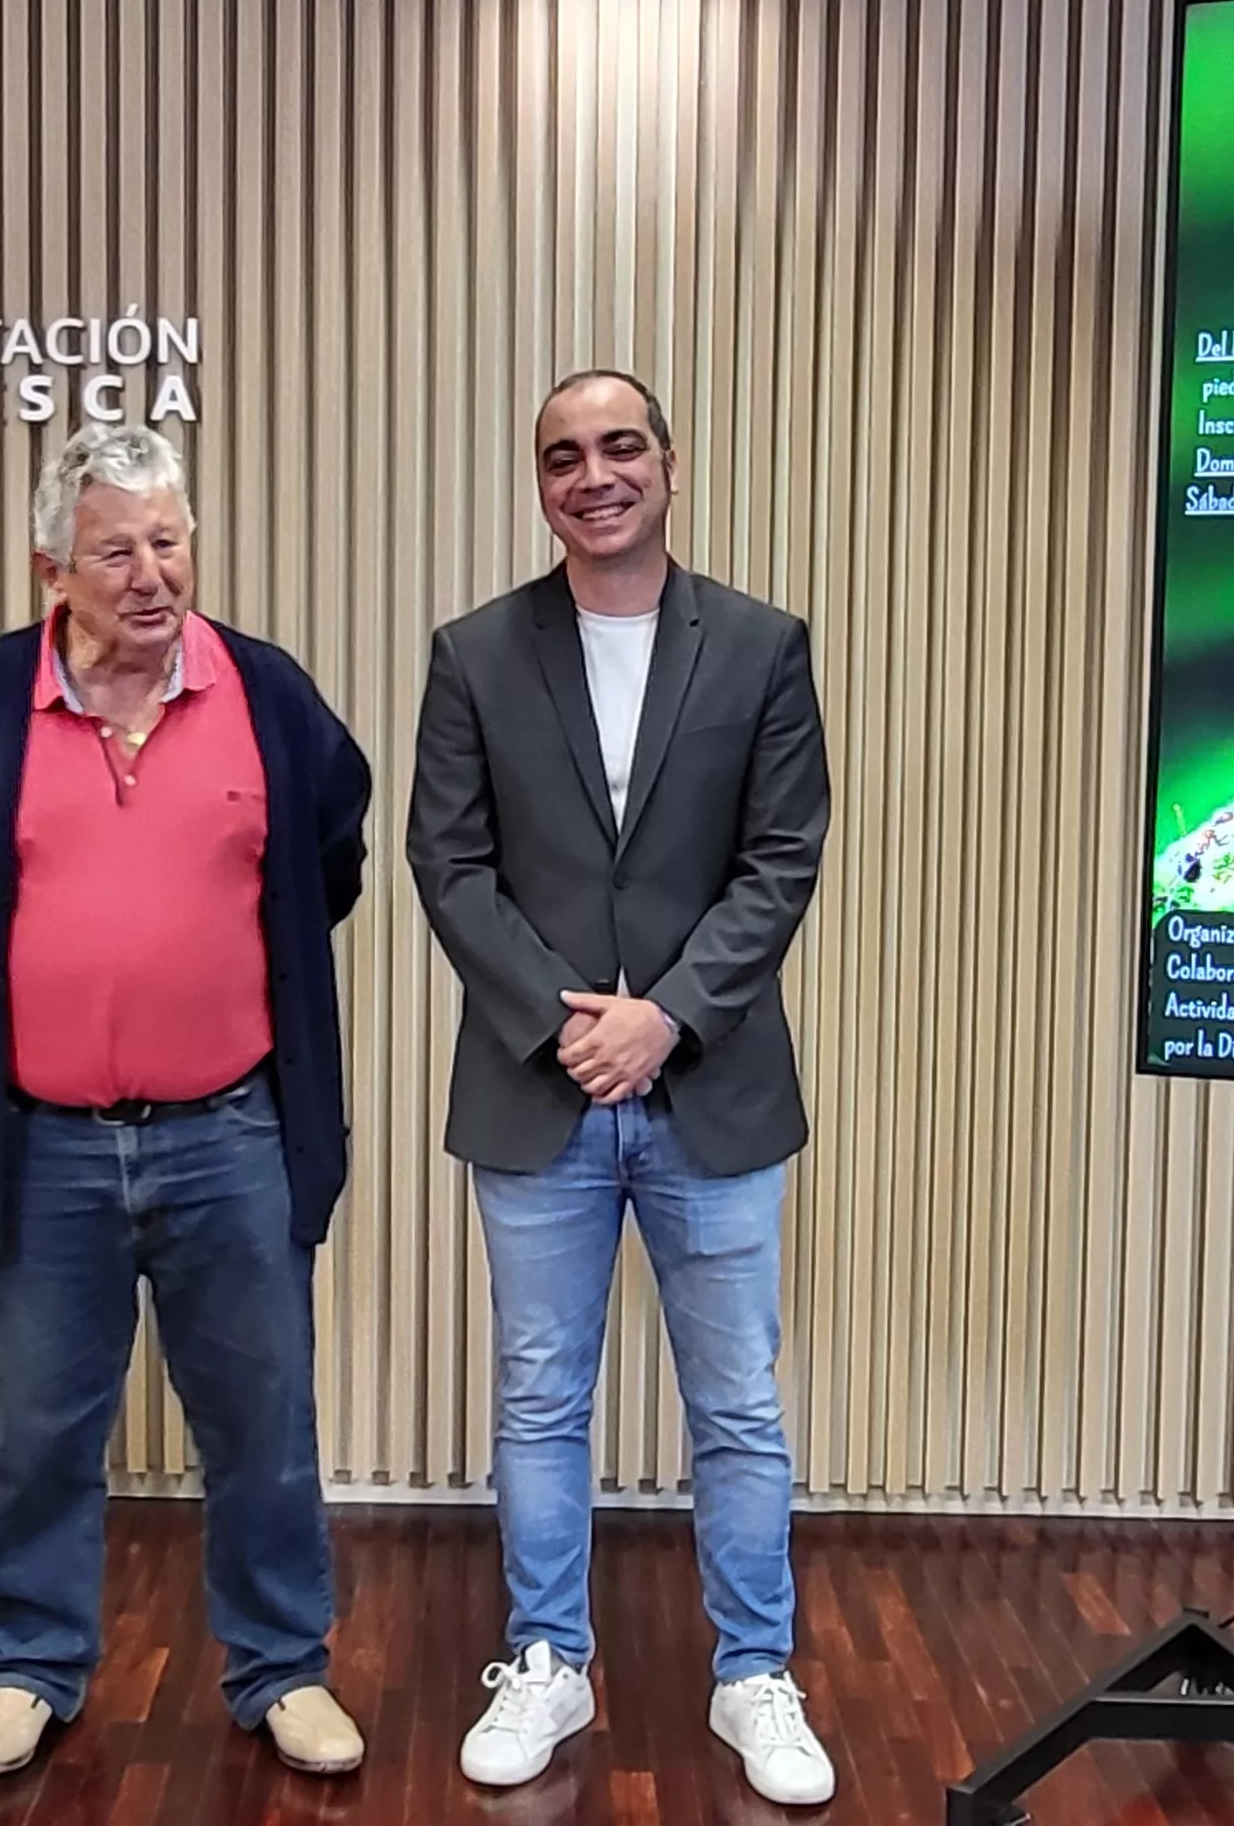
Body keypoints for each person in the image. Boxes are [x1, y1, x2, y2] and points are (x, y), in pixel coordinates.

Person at [0, 422, 374, 1782]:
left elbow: (329, 857)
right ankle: (31, 1663)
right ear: (53, 567)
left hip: (231, 1134)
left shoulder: (266, 697)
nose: (151, 573)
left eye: (168, 540)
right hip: (42, 1148)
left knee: (263, 1425)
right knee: (38, 1431)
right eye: (116, 549)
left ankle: (282, 1667)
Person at [407, 370, 837, 1806]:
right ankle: (546, 1662)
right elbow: (447, 864)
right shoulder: (472, 653)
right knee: (538, 1400)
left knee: (736, 1406)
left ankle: (753, 1676)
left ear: (668, 462)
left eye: (618, 448)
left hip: (710, 1088)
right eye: (561, 457)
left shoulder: (762, 646)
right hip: (538, 1094)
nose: (592, 475)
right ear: (540, 485)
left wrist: (664, 1019)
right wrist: (566, 1025)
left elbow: (781, 858)